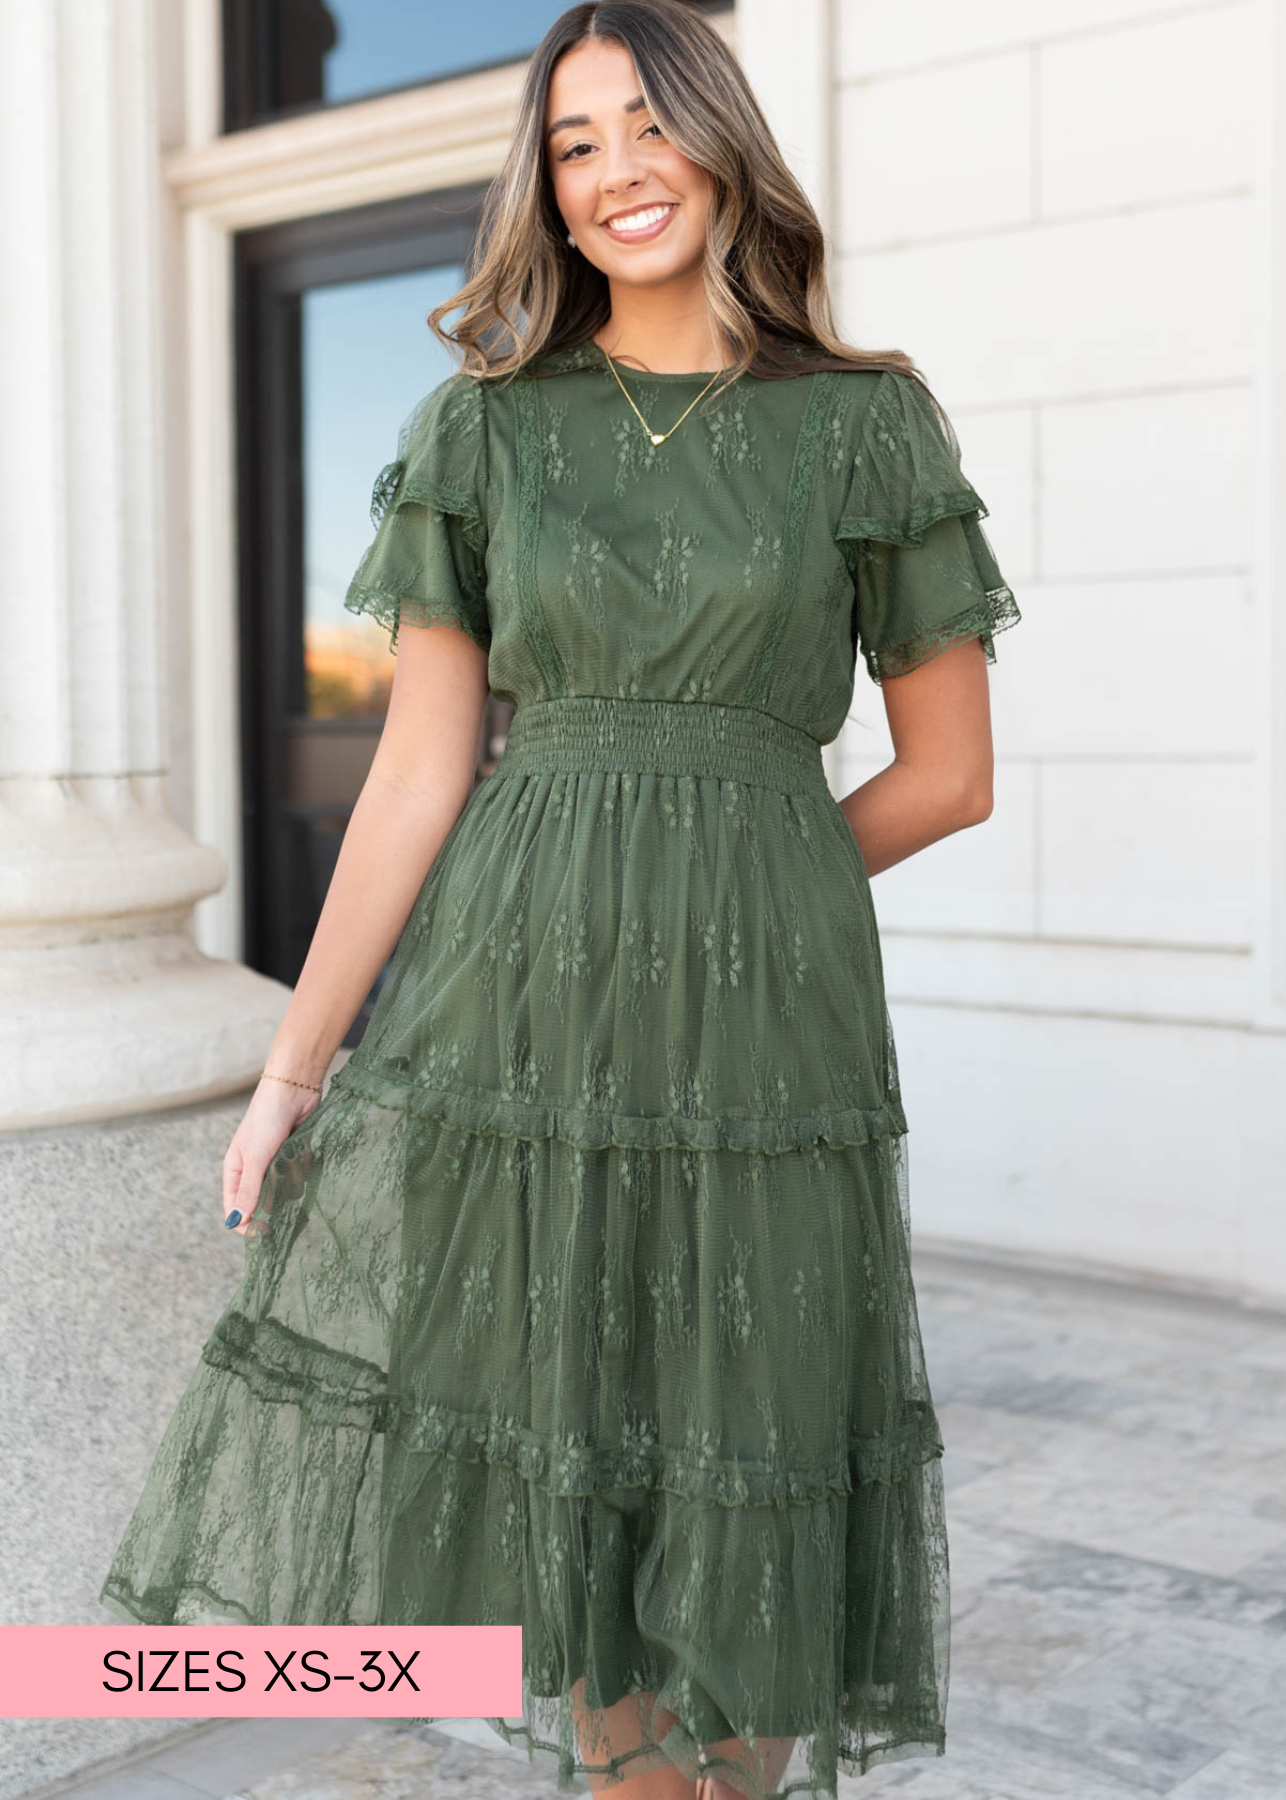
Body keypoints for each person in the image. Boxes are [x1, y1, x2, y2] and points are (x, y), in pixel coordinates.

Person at [99, 3, 1020, 1797]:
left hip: (766, 1022)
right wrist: (298, 1064)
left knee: (743, 1440)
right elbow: (421, 773)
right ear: (546, 184)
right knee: (571, 1452)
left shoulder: (863, 422)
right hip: (519, 1003)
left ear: (719, 143)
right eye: (574, 142)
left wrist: (740, 898)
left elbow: (949, 772)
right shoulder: (484, 431)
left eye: (644, 126)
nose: (613, 173)